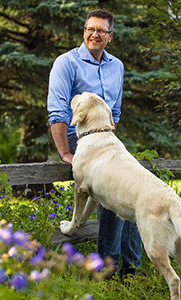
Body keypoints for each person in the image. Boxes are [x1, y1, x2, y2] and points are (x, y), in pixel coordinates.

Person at [47, 9, 142, 277]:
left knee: (132, 189)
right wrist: (66, 152)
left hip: (106, 139)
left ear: (110, 36)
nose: (94, 34)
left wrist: (109, 144)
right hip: (79, 141)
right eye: (90, 29)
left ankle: (131, 269)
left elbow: (116, 113)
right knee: (113, 196)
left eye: (101, 30)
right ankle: (107, 269)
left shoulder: (117, 66)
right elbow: (58, 111)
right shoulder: (66, 63)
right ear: (84, 31)